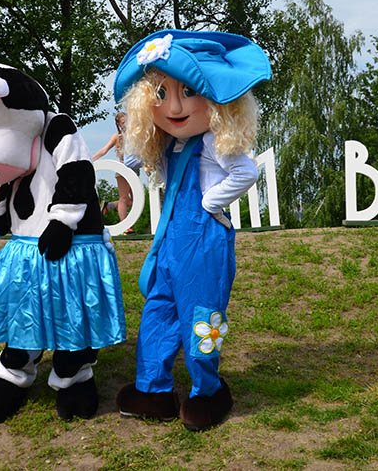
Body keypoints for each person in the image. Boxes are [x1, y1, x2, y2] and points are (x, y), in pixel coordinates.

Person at [112, 29, 270, 431]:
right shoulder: (170, 144)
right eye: (161, 93)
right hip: (171, 240)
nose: (175, 106)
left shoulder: (215, 141)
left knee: (201, 314)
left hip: (203, 240)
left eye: (188, 91)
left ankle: (207, 391)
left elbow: (246, 172)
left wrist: (210, 202)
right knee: (159, 310)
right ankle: (153, 389)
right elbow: (146, 169)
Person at [92, 112, 141, 233]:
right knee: (124, 198)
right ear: (119, 124)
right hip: (122, 170)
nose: (126, 124)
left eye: (128, 121)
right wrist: (90, 159)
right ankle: (125, 227)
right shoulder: (117, 137)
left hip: (134, 170)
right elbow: (104, 150)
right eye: (123, 122)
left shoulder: (135, 135)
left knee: (135, 201)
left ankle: (109, 206)